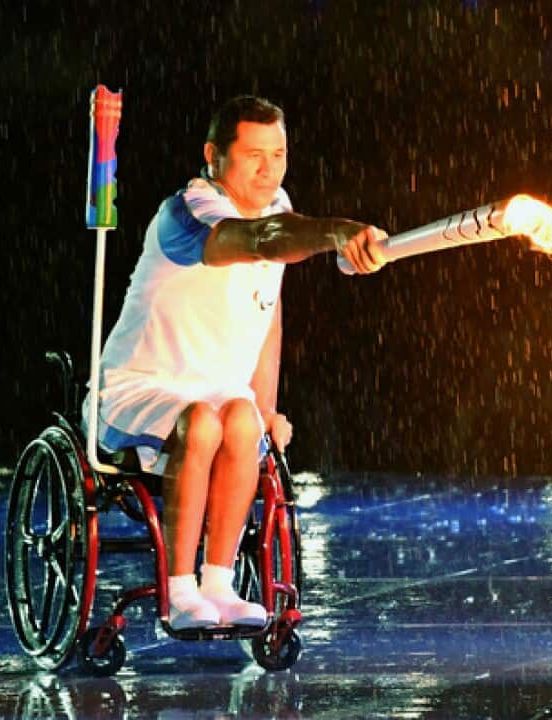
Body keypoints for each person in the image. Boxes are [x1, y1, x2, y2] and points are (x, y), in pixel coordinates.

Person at [86, 96, 387, 629]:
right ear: (213, 156)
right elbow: (259, 241)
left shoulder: (277, 207)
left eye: (278, 153)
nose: (268, 169)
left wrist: (266, 408)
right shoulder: (187, 212)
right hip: (138, 388)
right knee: (201, 422)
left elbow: (266, 318)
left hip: (220, 393)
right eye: (253, 154)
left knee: (243, 421)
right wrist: (335, 232)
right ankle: (179, 594)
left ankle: (218, 586)